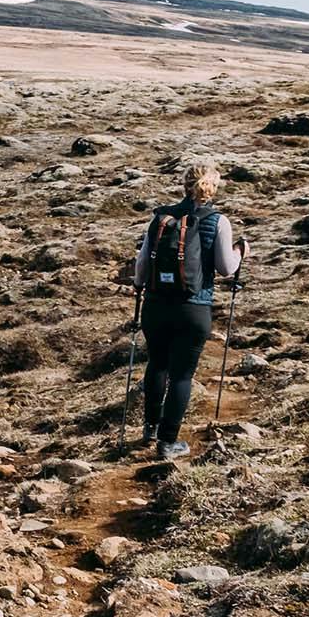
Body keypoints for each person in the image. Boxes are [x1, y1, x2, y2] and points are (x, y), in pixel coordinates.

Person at [127, 159, 246, 460]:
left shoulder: (160, 218)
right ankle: (168, 443)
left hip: (155, 306)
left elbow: (141, 265)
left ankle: (150, 429)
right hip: (193, 308)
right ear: (213, 188)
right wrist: (242, 252)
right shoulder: (217, 221)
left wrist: (141, 286)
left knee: (157, 364)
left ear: (184, 185)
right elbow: (225, 268)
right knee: (181, 375)